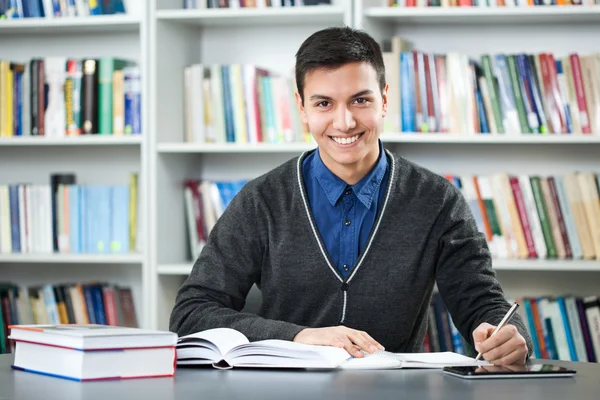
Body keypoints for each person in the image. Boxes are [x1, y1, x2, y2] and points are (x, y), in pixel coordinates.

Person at [170, 26, 533, 366]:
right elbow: (192, 311)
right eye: (324, 104)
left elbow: (482, 303)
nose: (344, 122)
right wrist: (298, 337)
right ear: (302, 108)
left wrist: (508, 335)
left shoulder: (437, 201)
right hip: (284, 390)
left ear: (384, 99)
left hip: (394, 392)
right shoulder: (262, 200)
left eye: (360, 100)